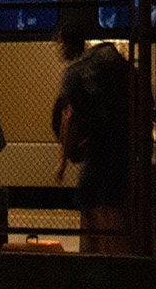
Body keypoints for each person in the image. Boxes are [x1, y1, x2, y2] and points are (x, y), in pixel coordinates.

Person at [53, 16, 135, 254]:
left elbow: (70, 118)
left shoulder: (75, 72)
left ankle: (101, 256)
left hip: (99, 147)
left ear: (68, 43)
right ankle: (120, 257)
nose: (58, 49)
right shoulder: (108, 58)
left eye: (59, 43)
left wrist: (62, 162)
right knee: (111, 205)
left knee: (89, 202)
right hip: (123, 143)